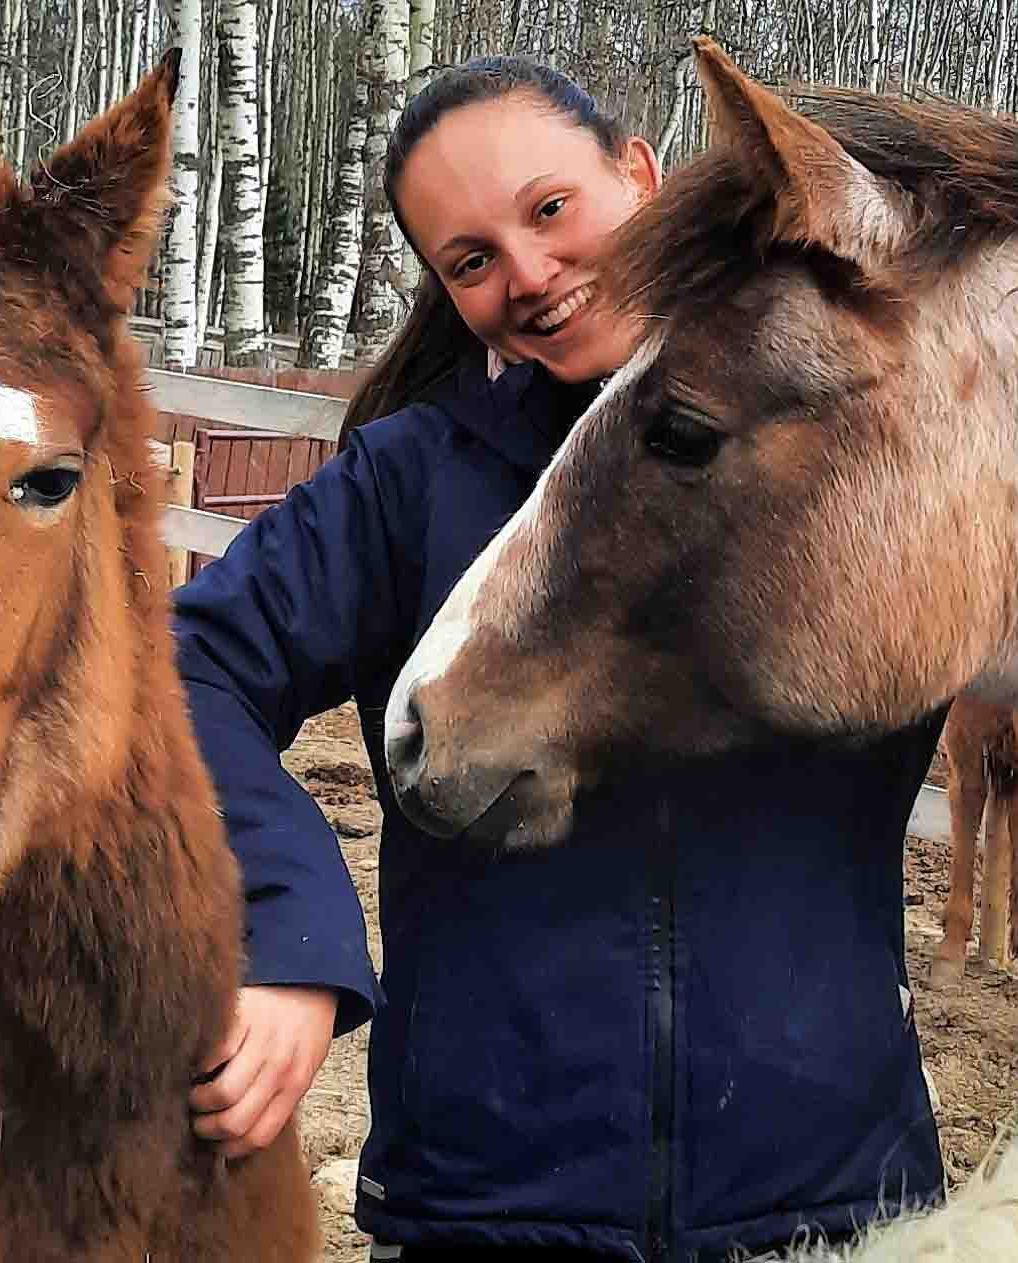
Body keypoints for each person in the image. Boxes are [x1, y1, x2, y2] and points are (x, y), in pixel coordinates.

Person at [175, 56, 945, 1263]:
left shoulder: (860, 445)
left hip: (832, 1200)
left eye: (550, 210)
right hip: (489, 1201)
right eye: (469, 261)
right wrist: (284, 930)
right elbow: (188, 668)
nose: (528, 277)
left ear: (639, 174)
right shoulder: (411, 483)